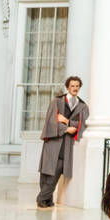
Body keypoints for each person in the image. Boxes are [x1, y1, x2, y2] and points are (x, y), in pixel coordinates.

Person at [37, 76, 87, 209]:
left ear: (79, 87)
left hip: (66, 146)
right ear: (67, 87)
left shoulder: (82, 106)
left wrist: (66, 121)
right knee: (46, 172)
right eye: (72, 86)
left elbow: (82, 125)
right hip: (53, 141)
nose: (75, 88)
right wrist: (67, 129)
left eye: (77, 86)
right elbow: (51, 122)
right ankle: (47, 199)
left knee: (56, 171)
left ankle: (41, 197)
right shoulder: (57, 101)